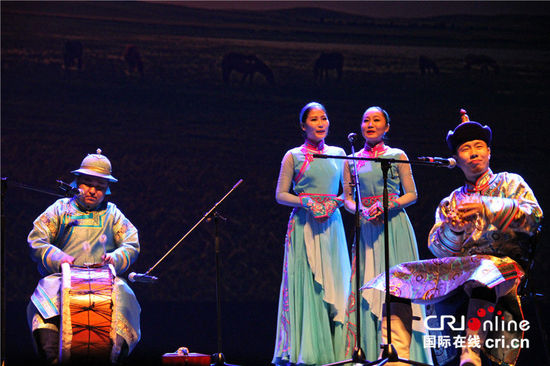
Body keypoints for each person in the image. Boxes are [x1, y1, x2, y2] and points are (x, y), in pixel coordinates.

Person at [365, 112, 543, 366]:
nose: (474, 153)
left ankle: (470, 352)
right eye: (466, 149)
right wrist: (454, 230)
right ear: (456, 159)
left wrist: (486, 207)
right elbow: (439, 248)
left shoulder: (510, 182)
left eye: (479, 147)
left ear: (489, 152)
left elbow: (534, 217)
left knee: (483, 272)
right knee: (396, 278)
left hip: (503, 267)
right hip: (462, 269)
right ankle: (394, 358)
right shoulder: (452, 200)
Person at [27, 149, 141, 365]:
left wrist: (114, 258)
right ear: (77, 182)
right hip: (63, 278)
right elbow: (37, 239)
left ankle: (114, 356)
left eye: (100, 187)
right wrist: (58, 257)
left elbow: (131, 243)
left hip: (105, 280)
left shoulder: (112, 214)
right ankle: (51, 357)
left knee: (125, 296)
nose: (93, 191)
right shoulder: (60, 209)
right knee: (45, 295)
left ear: (107, 189)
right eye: (88, 184)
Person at [341, 106, 431, 364]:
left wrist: (387, 205)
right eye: (365, 120)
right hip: (368, 227)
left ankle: (403, 354)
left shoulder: (397, 154)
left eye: (376, 120)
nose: (370, 124)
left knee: (398, 288)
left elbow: (412, 194)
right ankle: (371, 352)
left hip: (394, 225)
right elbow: (347, 199)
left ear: (386, 127)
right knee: (369, 285)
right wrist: (361, 209)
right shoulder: (352, 159)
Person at [273, 102, 351, 365]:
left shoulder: (340, 153)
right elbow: (281, 194)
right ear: (303, 125)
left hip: (332, 223)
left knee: (336, 283)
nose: (320, 123)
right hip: (305, 223)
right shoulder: (293, 155)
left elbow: (348, 195)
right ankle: (309, 351)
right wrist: (307, 202)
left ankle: (339, 351)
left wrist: (336, 202)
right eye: (314, 119)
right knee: (310, 284)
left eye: (324, 118)